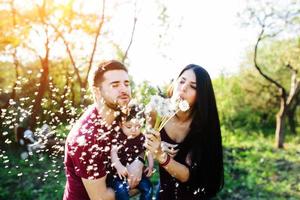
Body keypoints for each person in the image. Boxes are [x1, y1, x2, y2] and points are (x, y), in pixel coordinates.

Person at [63, 60, 144, 200]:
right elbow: (101, 198)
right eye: (115, 85)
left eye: (126, 83)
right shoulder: (87, 138)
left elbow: (138, 139)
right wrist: (138, 186)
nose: (124, 89)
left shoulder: (120, 115)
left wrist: (138, 161)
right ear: (97, 91)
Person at [145, 64, 224, 199]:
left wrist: (161, 154)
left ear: (201, 96)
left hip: (194, 193)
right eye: (181, 81)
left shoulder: (203, 125)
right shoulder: (156, 111)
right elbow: (146, 142)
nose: (183, 88)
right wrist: (155, 147)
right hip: (164, 191)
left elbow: (188, 176)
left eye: (193, 86)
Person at [107, 104, 154, 200]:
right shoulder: (118, 136)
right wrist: (119, 166)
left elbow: (148, 150)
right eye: (129, 126)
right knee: (121, 192)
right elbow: (113, 152)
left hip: (135, 174)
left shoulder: (141, 137)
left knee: (148, 188)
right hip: (118, 175)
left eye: (138, 126)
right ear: (120, 124)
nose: (133, 130)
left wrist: (150, 165)